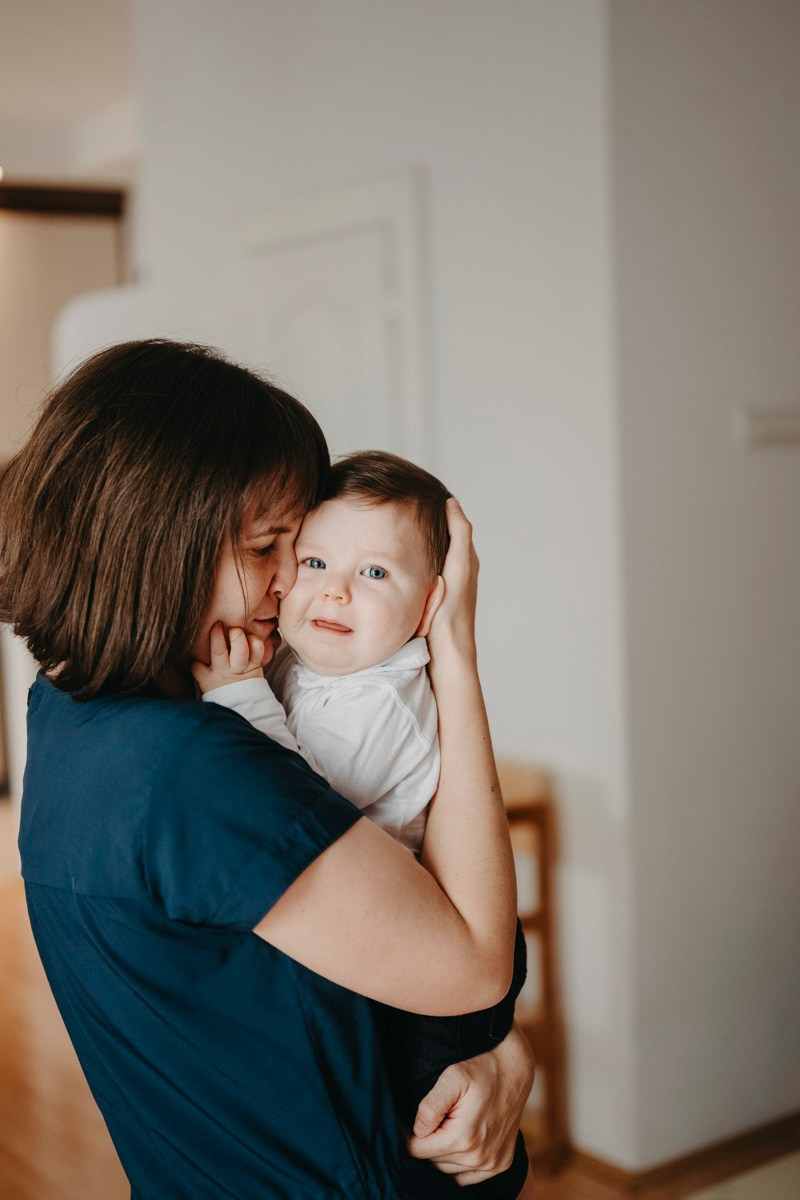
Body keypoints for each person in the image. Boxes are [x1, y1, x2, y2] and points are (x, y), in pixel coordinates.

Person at [0, 340, 535, 1200]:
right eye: (265, 548)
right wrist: (454, 652)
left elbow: (327, 964)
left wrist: (497, 1052)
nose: (293, 582)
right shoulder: (191, 767)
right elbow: (475, 964)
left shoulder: (69, 710)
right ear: (153, 545)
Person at [193, 450, 530, 1199]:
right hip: (376, 932)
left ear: (430, 606)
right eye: (314, 561)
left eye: (375, 573)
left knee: (423, 1136)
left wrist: (241, 693)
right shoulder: (313, 661)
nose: (335, 589)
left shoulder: (379, 702)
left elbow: (293, 801)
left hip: (401, 978)